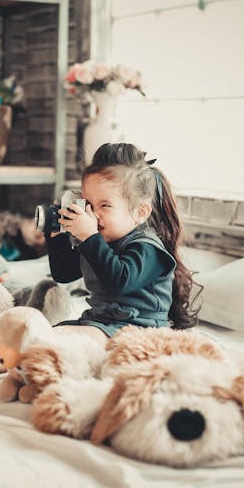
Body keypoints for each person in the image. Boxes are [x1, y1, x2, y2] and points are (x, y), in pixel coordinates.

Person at [46, 142, 199, 345]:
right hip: (101, 324)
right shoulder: (100, 241)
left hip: (140, 333)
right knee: (46, 333)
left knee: (57, 339)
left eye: (105, 205)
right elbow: (64, 274)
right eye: (88, 203)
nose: (92, 213)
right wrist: (57, 237)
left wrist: (90, 237)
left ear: (140, 212)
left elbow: (119, 281)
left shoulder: (149, 249)